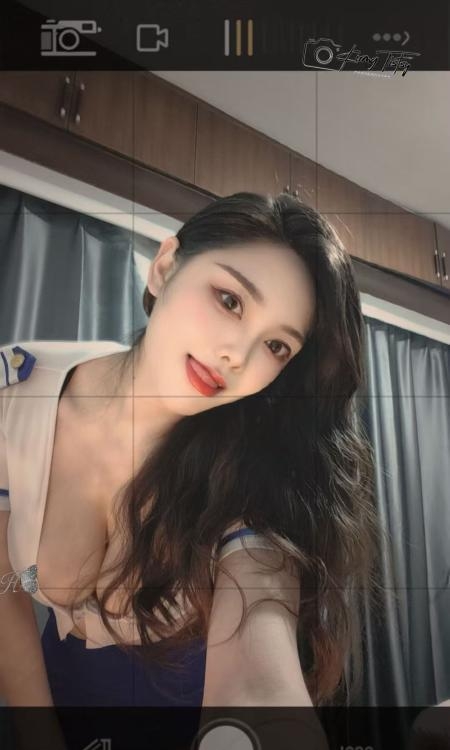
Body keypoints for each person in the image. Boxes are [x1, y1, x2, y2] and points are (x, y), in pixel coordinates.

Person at [0, 192, 382, 713]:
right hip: (53, 689)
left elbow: (261, 667)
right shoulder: (15, 397)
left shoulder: (252, 472)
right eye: (230, 300)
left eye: (276, 346)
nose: (236, 355)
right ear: (164, 268)